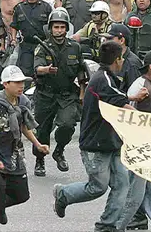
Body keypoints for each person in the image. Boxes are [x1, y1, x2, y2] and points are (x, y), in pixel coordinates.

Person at [53, 40, 135, 232]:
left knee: (122, 185)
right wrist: (145, 117)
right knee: (97, 187)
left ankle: (107, 225)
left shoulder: (108, 77)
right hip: (95, 145)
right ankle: (63, 194)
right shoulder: (102, 79)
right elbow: (119, 100)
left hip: (113, 142)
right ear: (118, 59)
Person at [0, 65, 49, 232]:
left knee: (22, 194)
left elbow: (24, 126)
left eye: (22, 82)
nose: (21, 86)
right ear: (5, 84)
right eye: (16, 82)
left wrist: (37, 144)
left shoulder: (23, 102)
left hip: (13, 153)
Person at [115, 49, 151, 232]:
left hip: (149, 150)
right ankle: (114, 227)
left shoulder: (149, 84)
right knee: (134, 196)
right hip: (141, 151)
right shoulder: (146, 91)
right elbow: (143, 125)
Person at [32, 8, 82, 177]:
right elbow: (36, 67)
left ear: (67, 28)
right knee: (42, 131)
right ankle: (40, 160)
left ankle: (59, 150)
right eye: (56, 27)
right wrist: (46, 69)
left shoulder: (75, 47)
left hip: (67, 95)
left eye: (62, 27)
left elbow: (82, 72)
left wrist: (82, 93)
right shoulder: (42, 47)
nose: (59, 30)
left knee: (68, 125)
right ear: (50, 28)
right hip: (45, 94)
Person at [10, 0, 52, 78]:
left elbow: (52, 26)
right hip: (26, 46)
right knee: (25, 73)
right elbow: (14, 26)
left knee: (43, 72)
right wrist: (14, 39)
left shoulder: (46, 7)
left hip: (43, 45)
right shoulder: (19, 8)